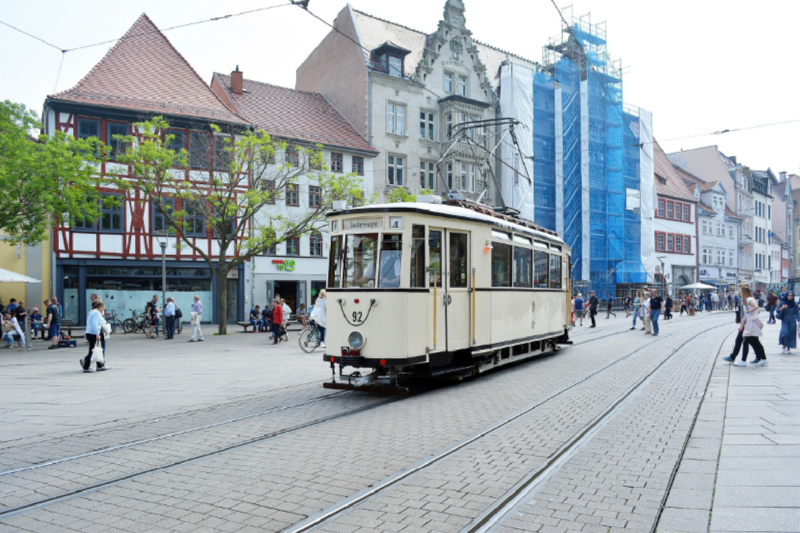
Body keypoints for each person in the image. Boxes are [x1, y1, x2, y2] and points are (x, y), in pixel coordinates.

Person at [736, 285, 767, 367]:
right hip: (750, 321)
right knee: (755, 341)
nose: (738, 290)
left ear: (743, 291)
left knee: (747, 341)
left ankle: (743, 361)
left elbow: (756, 307)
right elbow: (757, 311)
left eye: (740, 289)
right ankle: (763, 359)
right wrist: (742, 325)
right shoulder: (747, 299)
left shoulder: (748, 299)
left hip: (752, 322)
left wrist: (749, 311)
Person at [81, 299, 108, 372]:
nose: (103, 310)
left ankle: (99, 365)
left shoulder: (91, 312)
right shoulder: (97, 313)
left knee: (95, 349)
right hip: (93, 333)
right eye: (103, 308)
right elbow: (94, 324)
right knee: (92, 350)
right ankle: (86, 367)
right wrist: (97, 334)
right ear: (100, 307)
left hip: (89, 333)